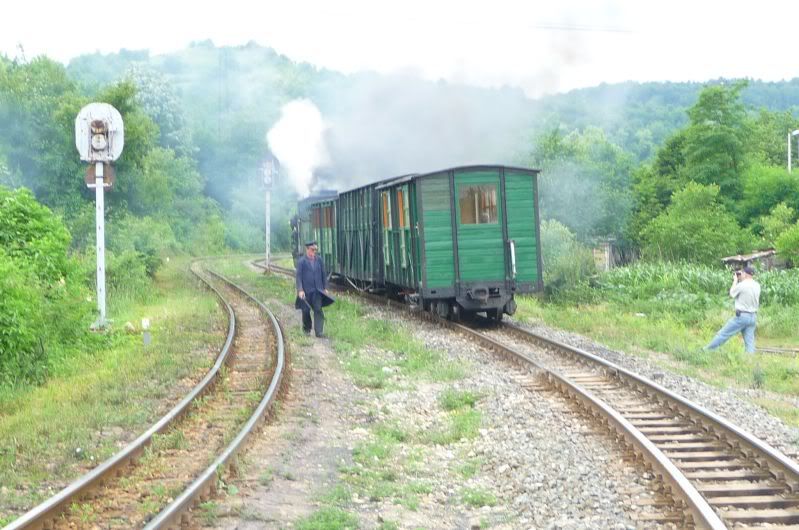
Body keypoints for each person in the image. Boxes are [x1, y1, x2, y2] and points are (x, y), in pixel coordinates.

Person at [704, 265, 761, 354]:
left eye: (741, 273)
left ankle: (706, 350)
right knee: (749, 342)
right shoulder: (757, 285)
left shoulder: (742, 285)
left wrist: (735, 281)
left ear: (745, 274)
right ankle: (750, 360)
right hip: (753, 316)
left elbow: (732, 293)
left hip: (742, 316)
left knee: (723, 334)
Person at [294, 241, 333, 338]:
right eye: (312, 249)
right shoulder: (301, 261)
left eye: (315, 250)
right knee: (306, 310)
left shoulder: (319, 260)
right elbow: (298, 277)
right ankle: (307, 329)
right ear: (307, 249)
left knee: (318, 309)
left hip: (318, 291)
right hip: (306, 292)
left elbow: (324, 274)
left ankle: (319, 332)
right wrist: (300, 290)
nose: (314, 252)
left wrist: (325, 288)